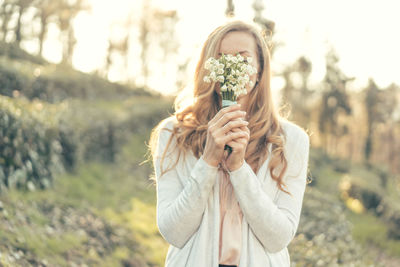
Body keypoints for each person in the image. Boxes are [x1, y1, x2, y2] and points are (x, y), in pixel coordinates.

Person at [148, 20, 310, 267]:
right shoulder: (174, 133)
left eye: (243, 59)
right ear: (208, 68)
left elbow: (278, 238)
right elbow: (173, 231)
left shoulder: (292, 141)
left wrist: (238, 169)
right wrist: (208, 162)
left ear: (260, 71)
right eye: (221, 58)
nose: (230, 66)